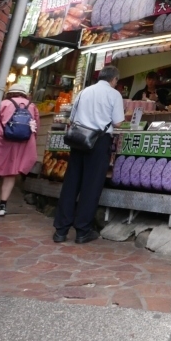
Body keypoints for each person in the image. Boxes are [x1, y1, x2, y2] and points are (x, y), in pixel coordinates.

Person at [54, 65, 126, 244]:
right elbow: (117, 123)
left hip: (79, 139)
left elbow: (71, 118)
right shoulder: (114, 94)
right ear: (114, 80)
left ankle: (60, 230)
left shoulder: (84, 92)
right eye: (117, 80)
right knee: (91, 186)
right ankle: (82, 231)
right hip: (99, 141)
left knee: (71, 183)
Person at [0, 83, 38, 217]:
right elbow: (35, 125)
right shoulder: (32, 106)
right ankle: (2, 206)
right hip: (20, 142)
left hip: (2, 140)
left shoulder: (3, 103)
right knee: (11, 171)